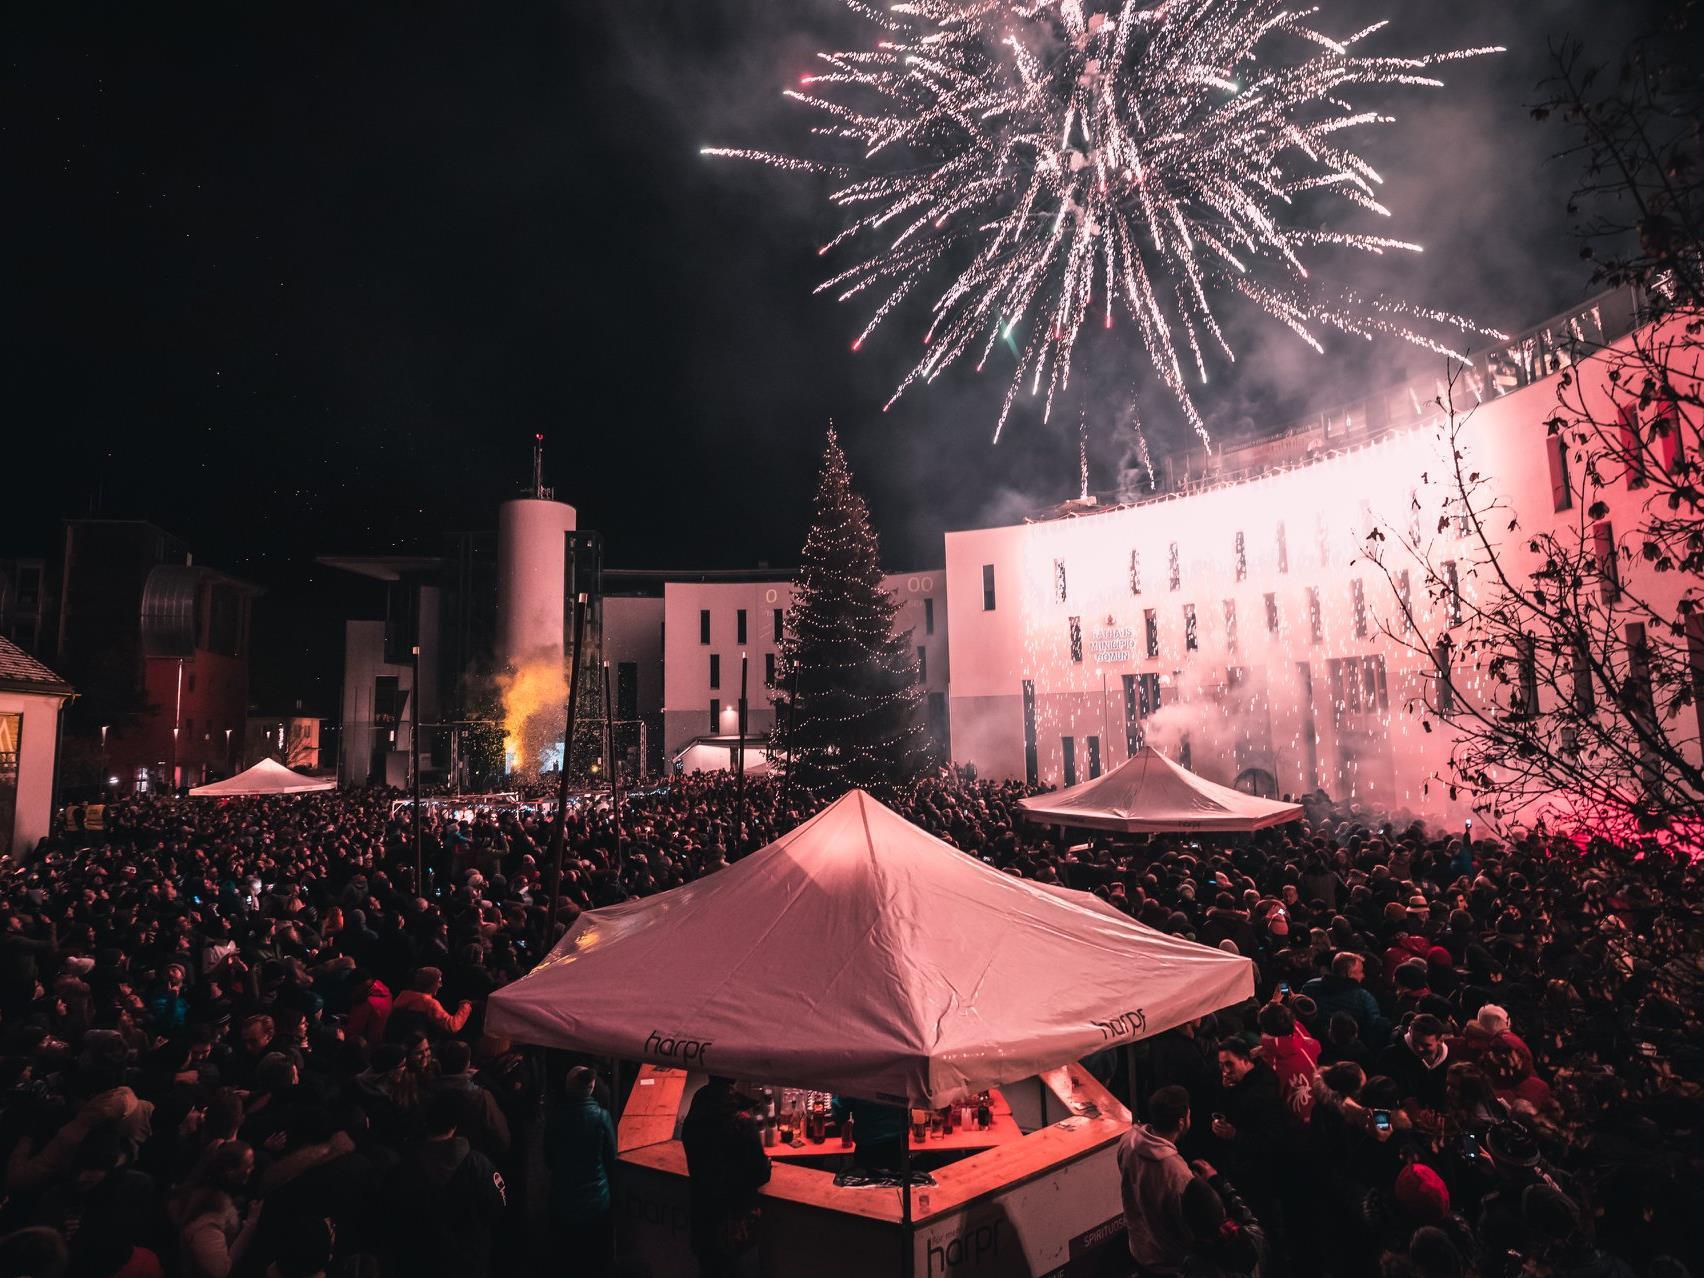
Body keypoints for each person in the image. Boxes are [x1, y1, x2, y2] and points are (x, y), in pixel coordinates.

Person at [384, 1091, 507, 1278]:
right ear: (455, 1125)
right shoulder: (478, 1164)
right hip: (469, 1258)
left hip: (420, 1259)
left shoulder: (405, 1165)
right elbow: (497, 1204)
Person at [680, 1077, 771, 1278]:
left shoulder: (694, 1116)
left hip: (702, 1217)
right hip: (734, 1224)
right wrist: (768, 1163)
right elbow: (759, 1173)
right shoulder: (741, 1122)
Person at [543, 1066, 617, 1278]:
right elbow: (611, 1158)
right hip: (597, 1201)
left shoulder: (555, 1118)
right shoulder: (602, 1117)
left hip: (562, 1199)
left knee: (566, 1260)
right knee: (594, 1261)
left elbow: (548, 1160)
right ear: (591, 1088)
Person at [1117, 1085, 1196, 1276]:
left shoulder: (1128, 1141)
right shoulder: (1177, 1173)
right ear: (1181, 1122)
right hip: (1168, 1263)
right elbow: (1185, 1226)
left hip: (1138, 1249)